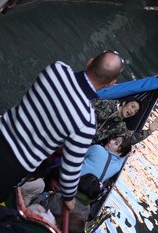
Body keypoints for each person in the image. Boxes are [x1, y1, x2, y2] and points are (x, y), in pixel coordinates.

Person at [0, 50, 125, 211]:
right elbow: (70, 169)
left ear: (89, 61)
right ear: (111, 84)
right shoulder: (86, 122)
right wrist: (69, 199)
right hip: (14, 165)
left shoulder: (56, 69)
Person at [92, 99, 158, 145]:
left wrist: (149, 131)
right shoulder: (106, 104)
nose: (133, 111)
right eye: (132, 106)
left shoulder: (120, 126)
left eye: (135, 111)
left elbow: (129, 140)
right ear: (124, 103)